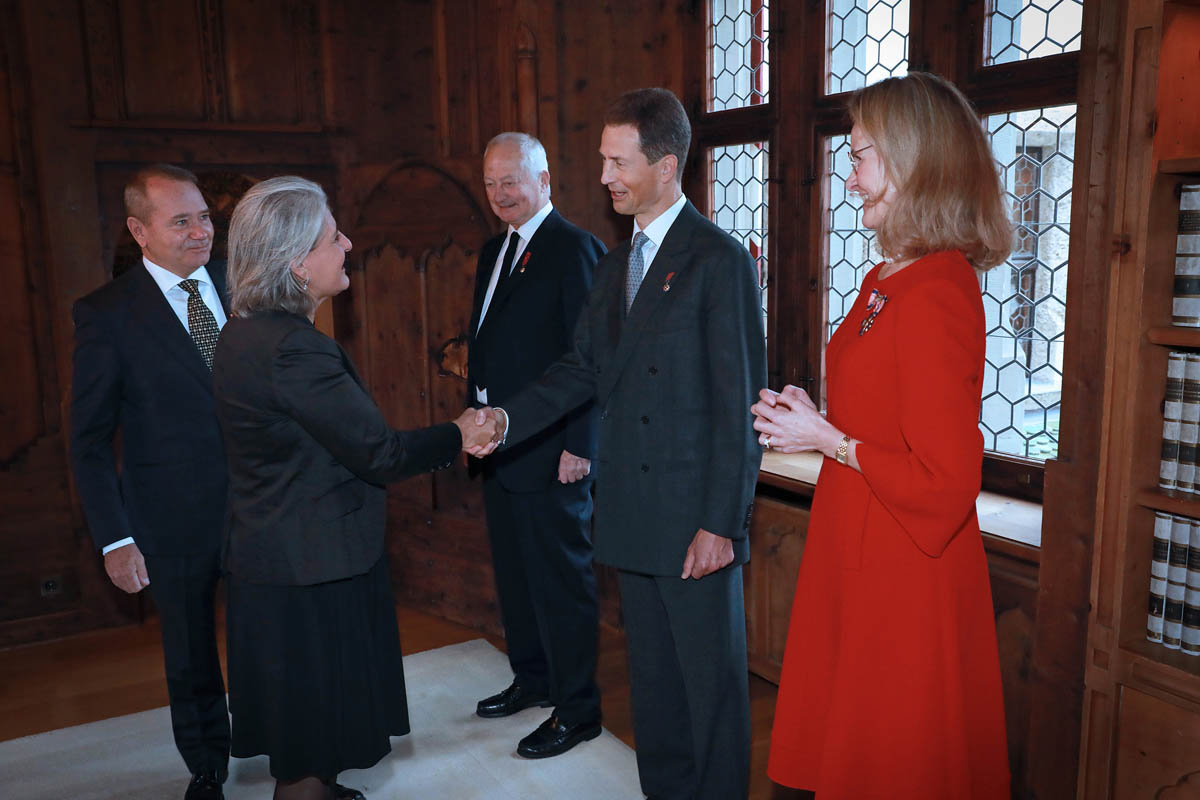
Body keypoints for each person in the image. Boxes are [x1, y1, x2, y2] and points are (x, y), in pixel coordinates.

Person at [481, 88, 765, 799]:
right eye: (603, 159)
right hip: (634, 516)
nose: (605, 175)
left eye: (618, 161)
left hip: (695, 521)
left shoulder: (717, 260)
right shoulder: (615, 265)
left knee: (711, 697)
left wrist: (721, 525)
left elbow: (738, 410)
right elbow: (579, 371)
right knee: (657, 692)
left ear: (666, 166)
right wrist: (506, 421)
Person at [752, 72, 1013, 799]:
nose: (849, 171)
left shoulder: (935, 293)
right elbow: (878, 415)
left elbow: (946, 480)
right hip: (857, 536)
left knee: (892, 759)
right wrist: (817, 419)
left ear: (910, 164)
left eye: (861, 154)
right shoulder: (885, 279)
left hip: (905, 560)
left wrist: (827, 439)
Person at [212, 176, 497, 800]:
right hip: (312, 567)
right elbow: (380, 453)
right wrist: (459, 431)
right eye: (330, 236)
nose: (347, 242)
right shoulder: (296, 351)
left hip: (278, 556)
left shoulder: (241, 332)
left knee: (312, 724)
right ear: (295, 263)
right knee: (312, 734)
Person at [70, 164, 232, 800]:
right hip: (171, 519)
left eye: (205, 218)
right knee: (191, 655)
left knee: (275, 639)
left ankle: (295, 761)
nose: (201, 233)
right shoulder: (106, 315)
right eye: (182, 221)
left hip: (262, 505)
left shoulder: (240, 284)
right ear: (139, 231)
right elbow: (86, 441)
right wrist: (115, 540)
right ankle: (207, 770)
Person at [466, 132, 607, 757]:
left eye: (512, 181)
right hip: (500, 448)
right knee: (518, 577)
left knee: (562, 581)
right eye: (492, 183)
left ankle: (578, 710)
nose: (501, 194)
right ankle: (534, 680)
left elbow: (592, 358)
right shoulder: (494, 250)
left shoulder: (574, 249)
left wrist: (582, 444)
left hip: (555, 450)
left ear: (544, 181)